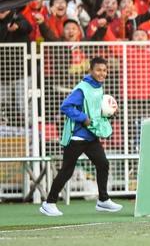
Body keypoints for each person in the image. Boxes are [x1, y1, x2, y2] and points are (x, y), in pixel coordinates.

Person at [40, 57, 123, 216]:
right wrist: (83, 118)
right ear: (90, 71)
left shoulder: (98, 87)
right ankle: (48, 203)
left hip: (91, 136)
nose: (102, 73)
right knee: (67, 170)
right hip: (77, 137)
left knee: (103, 164)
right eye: (98, 70)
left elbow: (95, 110)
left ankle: (103, 200)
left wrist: (110, 112)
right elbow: (65, 107)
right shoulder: (82, 89)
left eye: (104, 70)